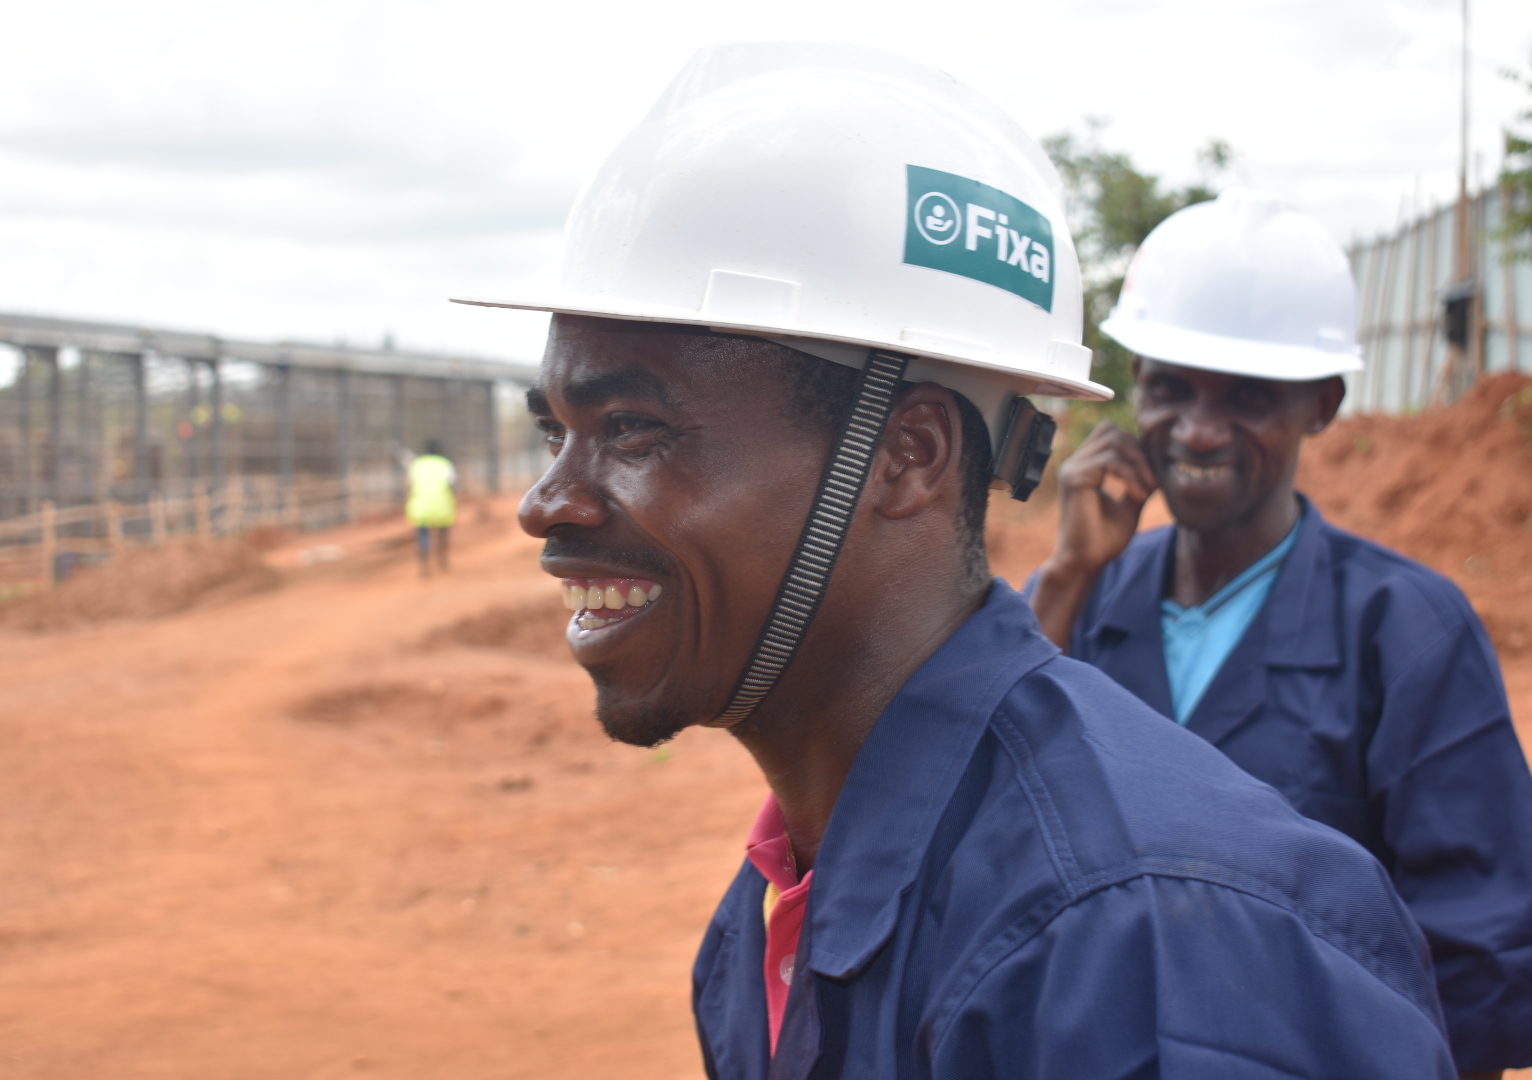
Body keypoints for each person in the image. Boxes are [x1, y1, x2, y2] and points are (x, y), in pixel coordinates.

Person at [455, 44, 1454, 1078]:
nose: (546, 505)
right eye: (554, 432)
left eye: (630, 429)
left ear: (907, 455)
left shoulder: (1140, 953)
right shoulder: (773, 914)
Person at [1028, 189, 1532, 1078]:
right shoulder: (1089, 601)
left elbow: (1477, 960)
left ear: (1323, 405)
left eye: (1249, 397)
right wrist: (1066, 575)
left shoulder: (1406, 630)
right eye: (1170, 389)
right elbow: (980, 804)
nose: (1197, 430)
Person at [406, 439, 456, 577]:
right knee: (443, 533)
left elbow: (410, 485)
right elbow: (451, 484)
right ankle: (442, 559)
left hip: (421, 505)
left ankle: (424, 566)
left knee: (423, 534)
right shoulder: (445, 464)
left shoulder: (416, 465)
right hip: (442, 504)